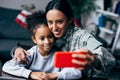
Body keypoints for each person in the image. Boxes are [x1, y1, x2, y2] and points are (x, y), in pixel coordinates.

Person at [11, 0, 115, 79]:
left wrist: (95, 60)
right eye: (50, 22)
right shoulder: (54, 34)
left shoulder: (83, 37)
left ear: (70, 20)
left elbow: (111, 60)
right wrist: (16, 50)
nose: (54, 27)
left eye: (59, 22)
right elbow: (39, 47)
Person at [2, 11, 82, 80]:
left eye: (50, 37)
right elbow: (7, 66)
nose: (47, 42)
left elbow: (77, 72)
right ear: (34, 39)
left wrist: (53, 75)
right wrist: (31, 74)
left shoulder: (59, 54)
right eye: (42, 38)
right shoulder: (31, 54)